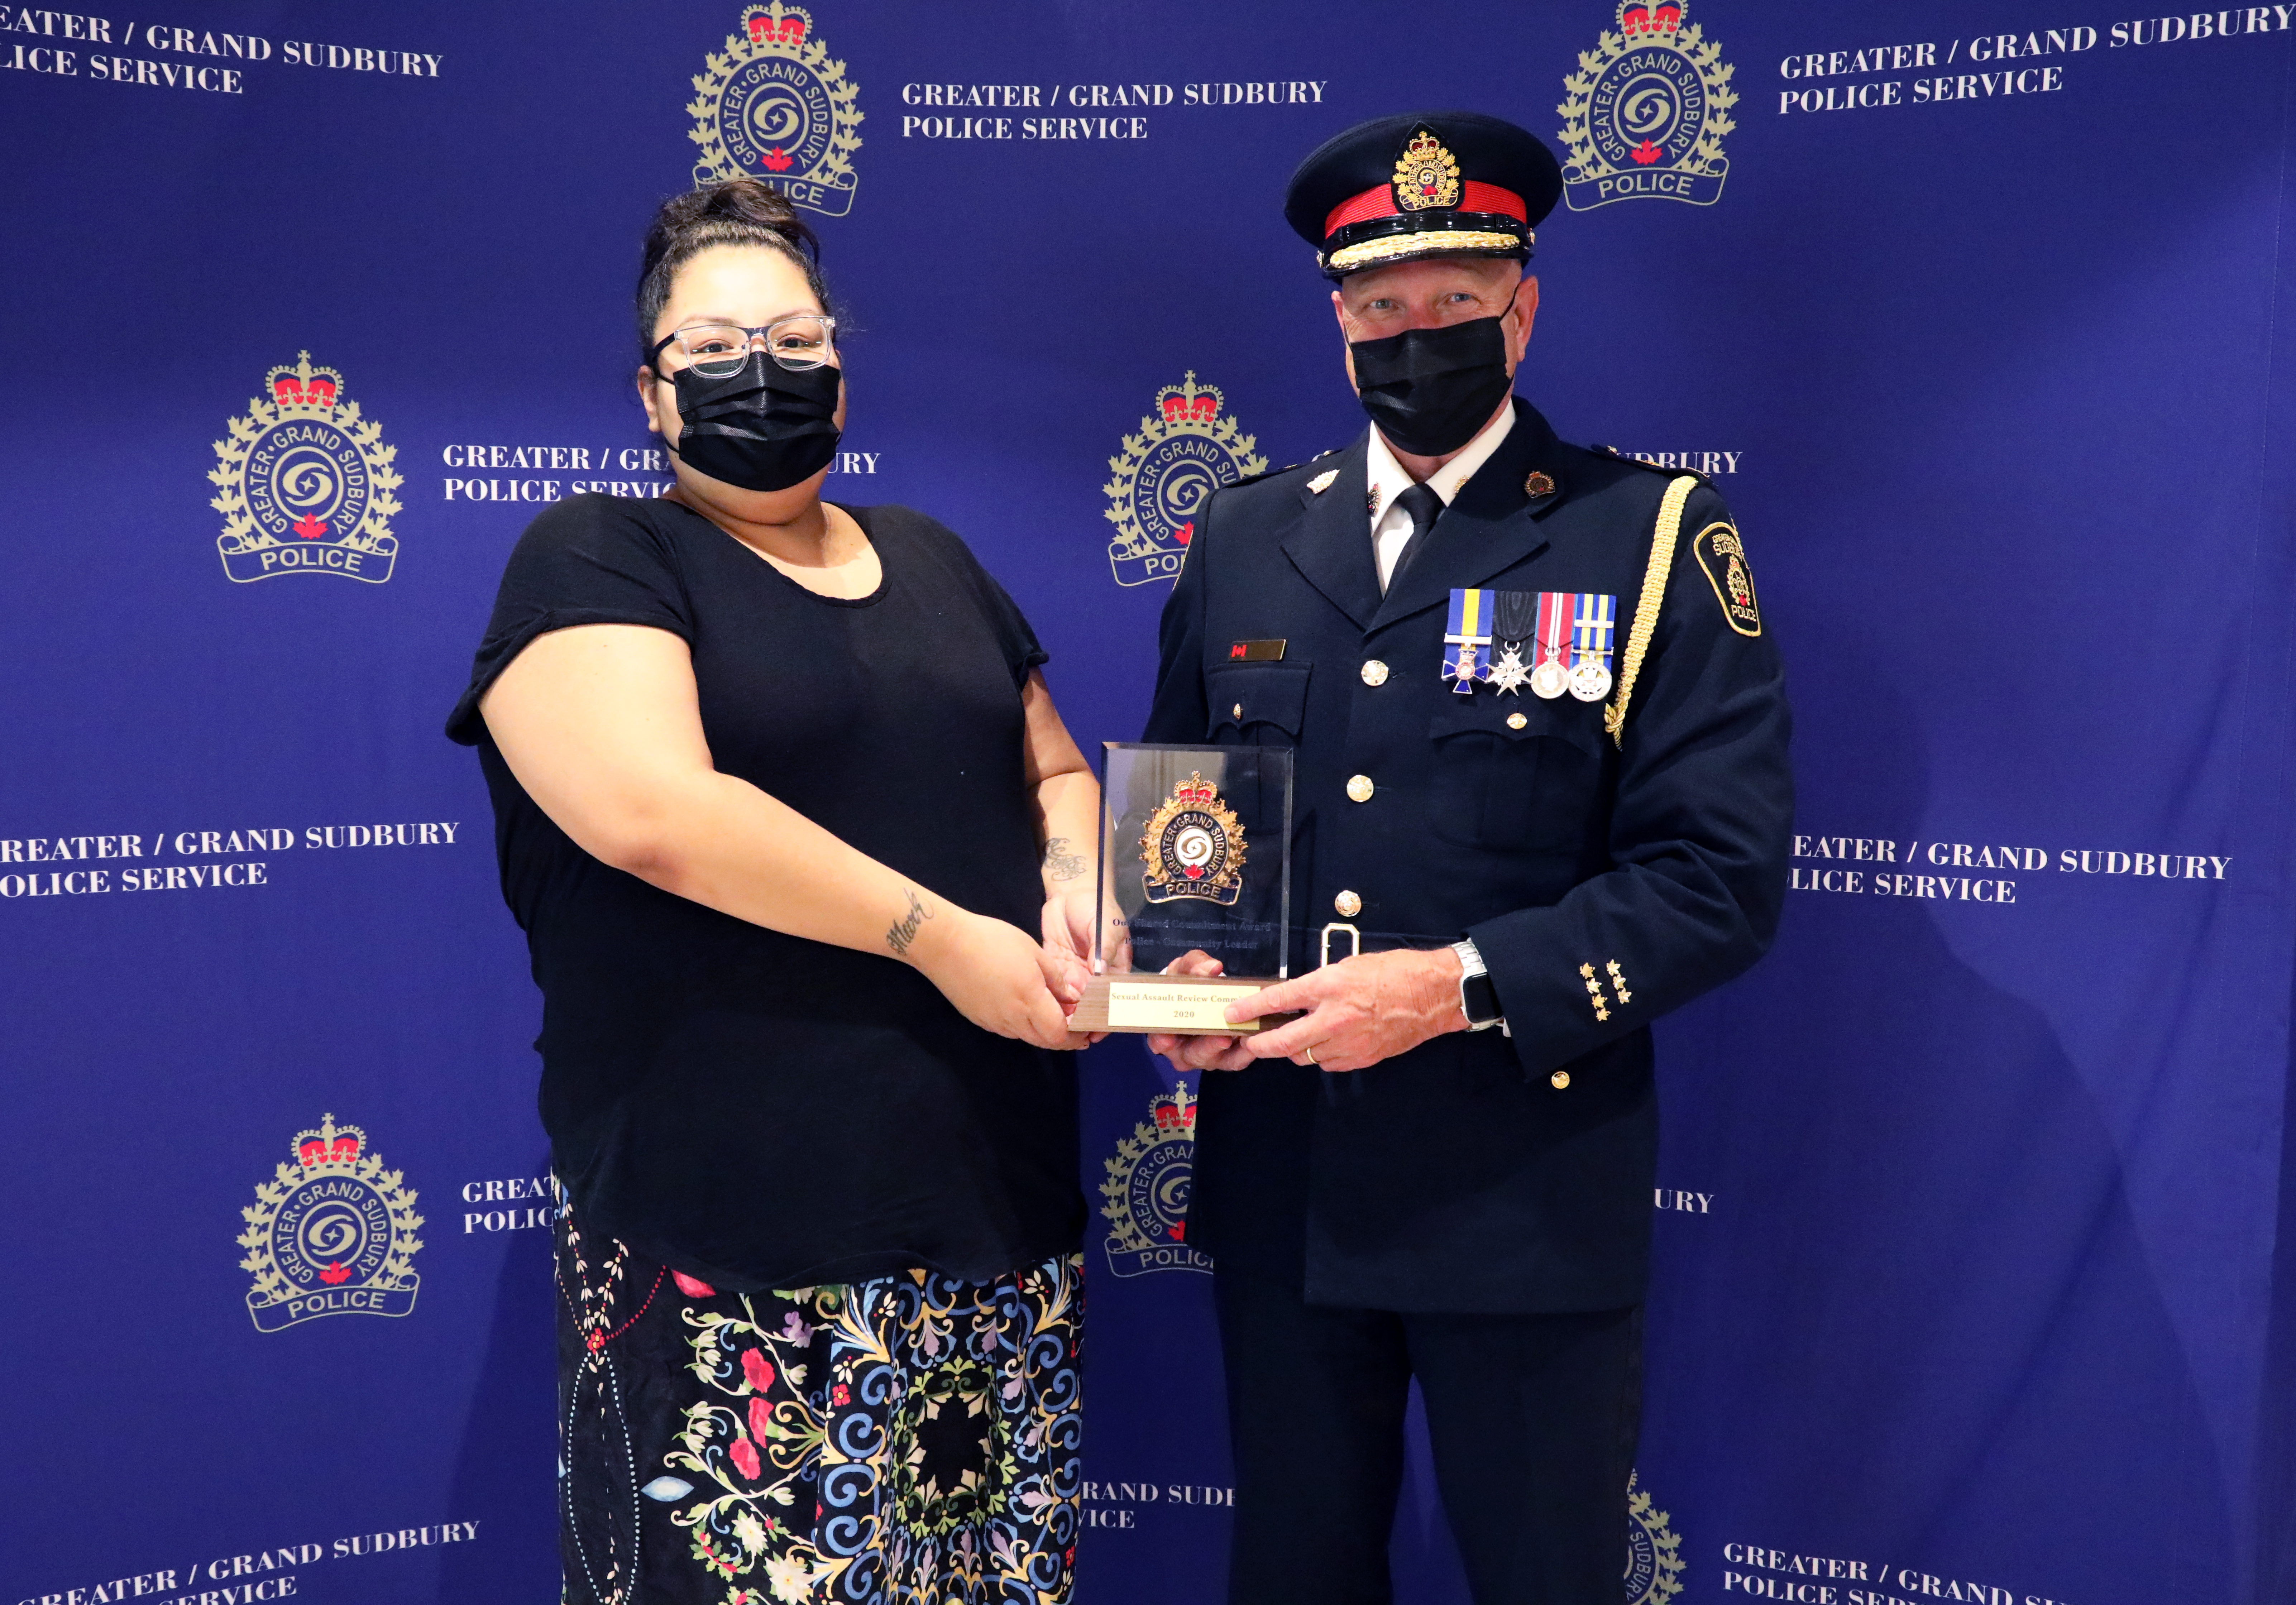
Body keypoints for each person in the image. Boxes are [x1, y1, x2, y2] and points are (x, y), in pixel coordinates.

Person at [1143, 112, 1793, 1604]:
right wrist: (1179, 962)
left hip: (1525, 1199)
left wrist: (1456, 986)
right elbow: (1192, 826)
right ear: (1337, 320)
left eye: (1453, 302)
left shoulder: (1647, 538)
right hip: (1286, 1195)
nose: (1415, 335)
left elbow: (1718, 876)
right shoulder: (1244, 536)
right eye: (1382, 306)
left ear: (1525, 305)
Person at [446, 179, 1096, 1605]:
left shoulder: (936, 556)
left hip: (988, 1217)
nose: (764, 369)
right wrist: (938, 940)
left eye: (796, 338)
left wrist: (1077, 886)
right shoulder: (598, 551)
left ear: (843, 367)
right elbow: (656, 814)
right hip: (731, 1237)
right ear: (651, 389)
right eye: (716, 344)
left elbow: (1055, 774)